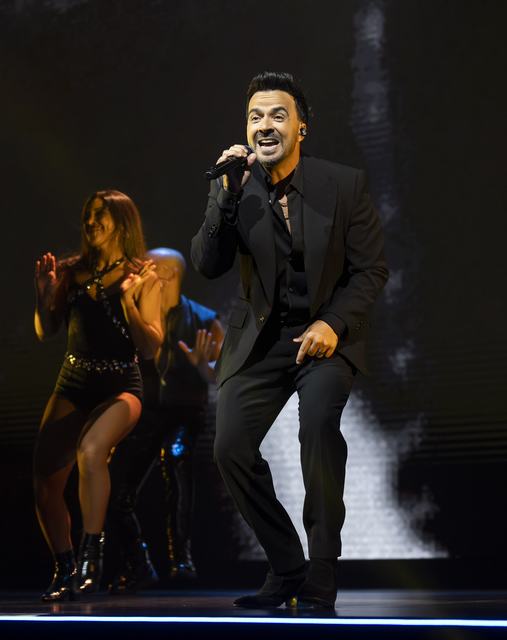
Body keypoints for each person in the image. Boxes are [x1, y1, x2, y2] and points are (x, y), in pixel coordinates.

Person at [191, 71, 388, 609]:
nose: (264, 124)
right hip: (260, 339)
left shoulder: (343, 184)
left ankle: (323, 568)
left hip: (325, 335)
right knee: (230, 446)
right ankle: (287, 567)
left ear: (302, 128)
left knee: (319, 427)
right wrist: (226, 196)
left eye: (277, 114)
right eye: (255, 116)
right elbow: (208, 264)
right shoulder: (233, 187)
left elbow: (371, 271)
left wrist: (332, 325)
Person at [32, 190, 162, 602]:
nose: (90, 222)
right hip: (73, 382)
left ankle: (93, 561)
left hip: (121, 386)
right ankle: (66, 567)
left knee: (91, 451)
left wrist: (127, 300)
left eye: (100, 215)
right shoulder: (71, 272)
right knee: (43, 484)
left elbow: (149, 348)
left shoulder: (143, 276)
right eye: (87, 215)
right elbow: (45, 330)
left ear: (121, 221)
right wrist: (43, 295)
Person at [105, 247, 223, 593]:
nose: (138, 273)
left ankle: (180, 554)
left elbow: (224, 370)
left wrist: (204, 368)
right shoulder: (134, 316)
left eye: (147, 268)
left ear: (168, 274)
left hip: (184, 410)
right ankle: (137, 562)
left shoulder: (204, 319)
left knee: (175, 457)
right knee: (113, 486)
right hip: (143, 412)